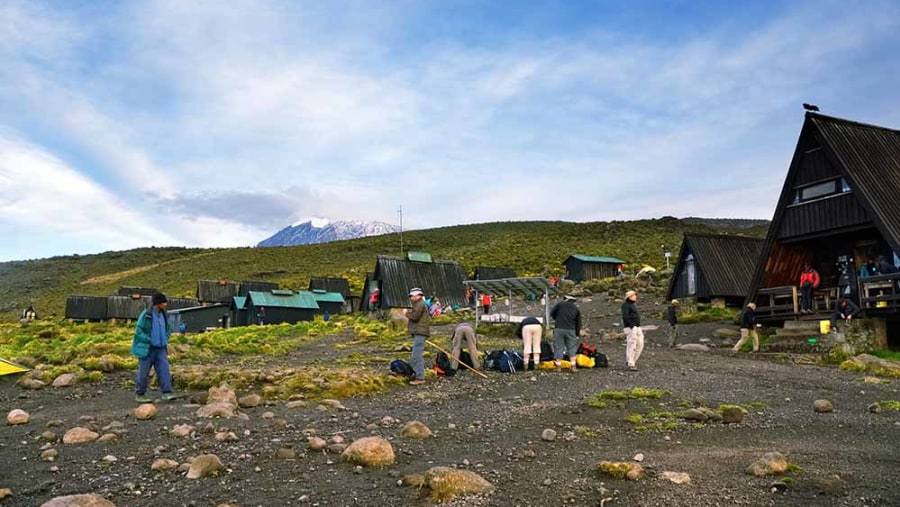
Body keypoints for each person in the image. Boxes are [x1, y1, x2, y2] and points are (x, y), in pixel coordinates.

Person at [131, 293, 177, 402]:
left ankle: (167, 393)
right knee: (143, 371)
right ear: (158, 303)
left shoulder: (164, 315)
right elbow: (139, 330)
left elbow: (168, 328)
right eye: (163, 302)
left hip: (161, 348)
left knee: (164, 370)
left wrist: (166, 338)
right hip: (147, 348)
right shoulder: (146, 315)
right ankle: (140, 394)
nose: (165, 304)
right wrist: (148, 339)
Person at [405, 288, 430, 385]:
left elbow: (415, 317)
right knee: (416, 355)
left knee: (416, 355)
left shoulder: (420, 304)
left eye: (413, 296)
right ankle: (418, 375)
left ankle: (420, 378)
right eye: (411, 296)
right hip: (420, 332)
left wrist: (407, 313)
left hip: (420, 332)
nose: (411, 298)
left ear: (418, 295)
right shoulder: (420, 304)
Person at [550, 295, 582, 372]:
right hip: (571, 330)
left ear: (566, 299)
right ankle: (573, 366)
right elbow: (578, 322)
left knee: (559, 346)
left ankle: (558, 366)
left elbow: (552, 313)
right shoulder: (575, 308)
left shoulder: (560, 304)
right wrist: (577, 333)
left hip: (559, 328)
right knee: (571, 347)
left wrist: (557, 319)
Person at [621, 290, 643, 371]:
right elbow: (625, 316)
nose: (635, 296)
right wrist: (631, 325)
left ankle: (632, 360)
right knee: (632, 344)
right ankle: (631, 362)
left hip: (637, 327)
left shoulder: (633, 305)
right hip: (631, 327)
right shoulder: (625, 305)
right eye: (634, 295)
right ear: (630, 297)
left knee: (640, 344)